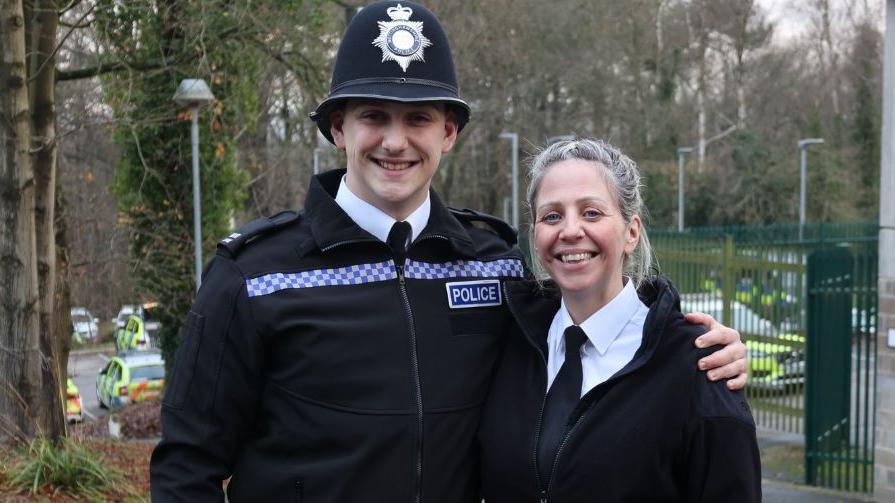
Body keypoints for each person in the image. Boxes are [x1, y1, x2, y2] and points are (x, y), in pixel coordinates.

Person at [150, 2, 748, 501]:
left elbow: (595, 315)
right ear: (337, 128)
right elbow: (187, 467)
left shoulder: (494, 264)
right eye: (373, 116)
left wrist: (696, 343)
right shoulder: (253, 274)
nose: (395, 140)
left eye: (418, 118)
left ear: (449, 133)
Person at [478, 139, 761, 502]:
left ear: (631, 232)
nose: (570, 230)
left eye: (591, 212)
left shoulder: (699, 366)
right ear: (535, 235)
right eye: (551, 216)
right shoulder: (508, 342)